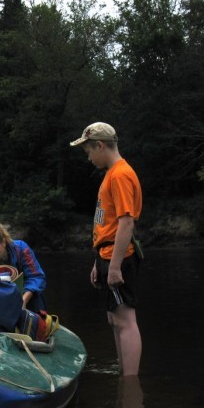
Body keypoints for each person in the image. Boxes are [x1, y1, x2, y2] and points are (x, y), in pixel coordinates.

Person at [70, 122, 143, 376]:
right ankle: (124, 374)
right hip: (107, 254)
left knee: (125, 320)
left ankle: (130, 382)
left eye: (89, 151)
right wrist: (97, 262)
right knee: (114, 319)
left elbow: (126, 223)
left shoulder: (121, 174)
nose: (88, 158)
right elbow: (108, 225)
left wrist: (114, 266)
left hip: (118, 257)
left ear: (100, 145)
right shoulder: (111, 175)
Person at [0, 221, 47, 312]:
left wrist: (24, 299)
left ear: (3, 242)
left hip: (31, 303)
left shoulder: (21, 249)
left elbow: (36, 277)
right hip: (1, 307)